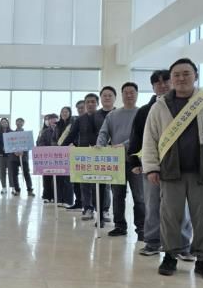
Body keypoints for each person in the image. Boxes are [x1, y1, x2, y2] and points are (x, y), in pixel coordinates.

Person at [142, 58, 203, 281]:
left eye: (186, 73)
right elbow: (150, 139)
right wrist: (151, 167)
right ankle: (170, 256)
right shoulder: (160, 106)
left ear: (196, 76)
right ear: (171, 79)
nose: (181, 78)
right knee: (170, 216)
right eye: (176, 75)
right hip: (170, 171)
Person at [128, 70, 193, 258]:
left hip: (181, 165)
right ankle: (152, 241)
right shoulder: (145, 110)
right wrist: (134, 161)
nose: (162, 85)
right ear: (153, 87)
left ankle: (183, 245)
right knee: (152, 204)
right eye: (158, 83)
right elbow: (136, 137)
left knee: (182, 207)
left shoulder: (188, 107)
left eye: (166, 81)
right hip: (152, 165)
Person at [97, 82, 145, 238]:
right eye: (126, 92)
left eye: (132, 92)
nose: (129, 95)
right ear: (121, 95)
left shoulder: (143, 113)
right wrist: (99, 146)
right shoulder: (113, 115)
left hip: (136, 161)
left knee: (139, 197)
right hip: (116, 162)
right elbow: (104, 133)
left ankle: (142, 228)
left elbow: (142, 136)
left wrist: (124, 145)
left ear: (137, 94)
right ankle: (119, 226)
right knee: (118, 195)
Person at [62, 94, 99, 220]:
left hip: (100, 155)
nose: (90, 104)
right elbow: (71, 135)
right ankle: (87, 208)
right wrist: (62, 147)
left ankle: (103, 209)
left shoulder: (103, 116)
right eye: (88, 102)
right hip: (84, 155)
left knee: (101, 184)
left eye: (93, 102)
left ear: (97, 103)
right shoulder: (79, 120)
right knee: (85, 183)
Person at [96, 86, 116, 224]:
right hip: (97, 154)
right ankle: (100, 213)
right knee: (100, 185)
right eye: (104, 95)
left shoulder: (118, 113)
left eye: (110, 95)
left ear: (115, 98)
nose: (107, 98)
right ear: (101, 98)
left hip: (116, 155)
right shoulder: (94, 115)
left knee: (115, 187)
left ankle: (107, 210)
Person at [10, 118, 35, 196]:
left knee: (26, 173)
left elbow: (30, 145)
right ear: (15, 123)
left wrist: (23, 151)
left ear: (23, 123)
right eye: (18, 122)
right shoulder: (11, 134)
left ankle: (30, 190)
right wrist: (14, 151)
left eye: (21, 122)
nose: (19, 123)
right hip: (14, 157)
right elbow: (9, 145)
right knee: (14, 174)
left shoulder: (26, 134)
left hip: (24, 157)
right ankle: (17, 190)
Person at [37, 113, 59, 202]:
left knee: (58, 178)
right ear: (48, 121)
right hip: (47, 157)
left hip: (59, 158)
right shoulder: (45, 131)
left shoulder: (61, 130)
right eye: (51, 119)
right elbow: (40, 142)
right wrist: (47, 149)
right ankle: (47, 196)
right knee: (47, 177)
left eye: (55, 119)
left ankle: (56, 196)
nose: (53, 121)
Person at [55, 106, 74, 206]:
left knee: (68, 178)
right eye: (62, 112)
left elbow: (74, 136)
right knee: (59, 177)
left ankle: (68, 201)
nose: (64, 113)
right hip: (58, 153)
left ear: (70, 113)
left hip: (69, 152)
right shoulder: (58, 125)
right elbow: (54, 138)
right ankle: (60, 199)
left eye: (66, 111)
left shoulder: (73, 123)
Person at [0, 117, 13, 194]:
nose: (4, 123)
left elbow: (15, 143)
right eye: (2, 122)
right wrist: (2, 148)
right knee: (2, 172)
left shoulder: (12, 132)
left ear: (8, 123)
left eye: (5, 122)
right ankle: (4, 187)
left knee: (11, 172)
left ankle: (13, 188)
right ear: (0, 124)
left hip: (10, 156)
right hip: (1, 156)